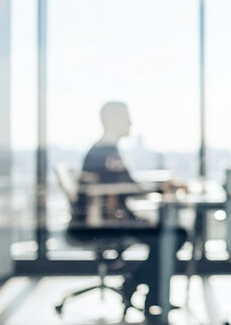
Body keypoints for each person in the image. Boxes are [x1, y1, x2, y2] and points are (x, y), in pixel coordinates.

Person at [73, 101, 187, 319]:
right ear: (112, 120)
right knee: (175, 235)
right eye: (126, 117)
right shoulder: (105, 154)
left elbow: (126, 185)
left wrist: (159, 184)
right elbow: (122, 189)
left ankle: (151, 295)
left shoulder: (106, 151)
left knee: (169, 234)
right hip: (104, 223)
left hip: (108, 219)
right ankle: (139, 286)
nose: (131, 123)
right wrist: (159, 187)